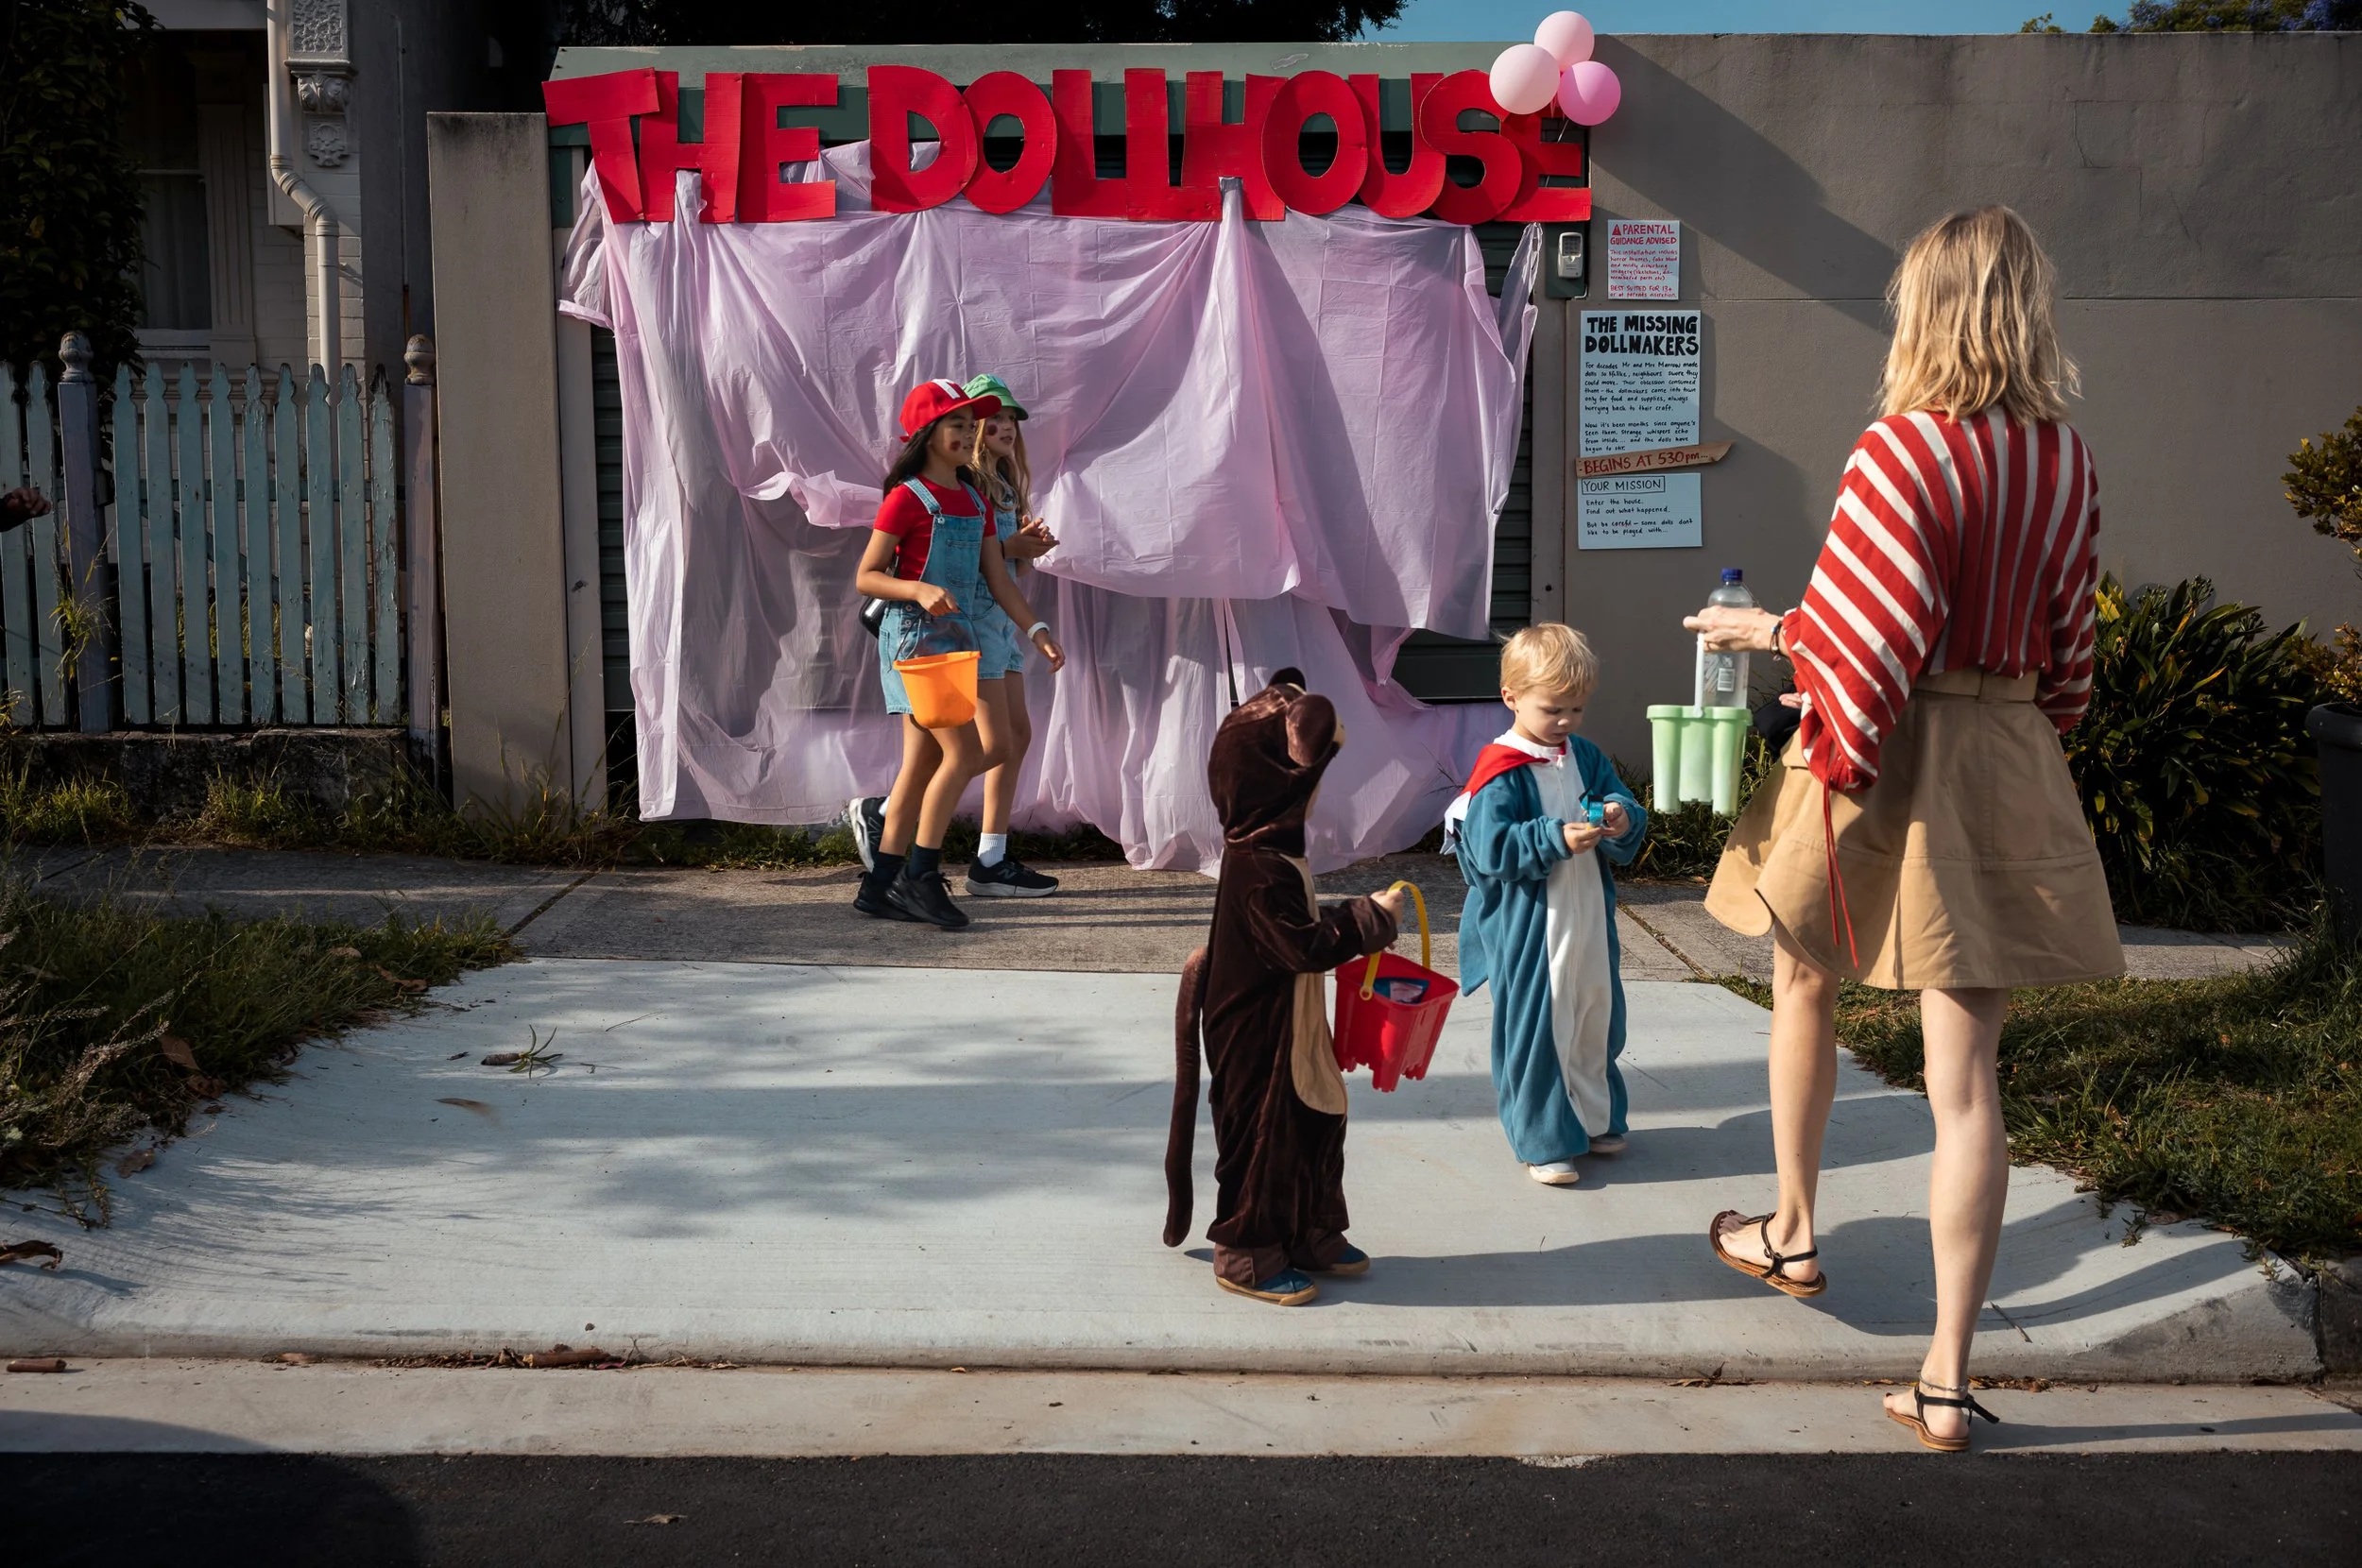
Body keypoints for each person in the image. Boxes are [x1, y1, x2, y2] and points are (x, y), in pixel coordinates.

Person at [1688, 206, 2122, 1453]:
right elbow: (2071, 651)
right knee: (1967, 1078)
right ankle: (1944, 1378)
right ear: (2027, 310)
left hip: (1881, 756)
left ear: (1925, 309)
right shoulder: (2065, 458)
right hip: (2003, 751)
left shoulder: (1902, 448)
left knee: (1802, 976)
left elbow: (1863, 639)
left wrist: (1761, 632)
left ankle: (1791, 1229)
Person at [1161, 670, 1409, 1305]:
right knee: (1263, 1133)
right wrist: (1368, 921)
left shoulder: (1276, 852)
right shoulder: (1259, 864)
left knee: (1315, 1117)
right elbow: (1301, 946)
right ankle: (1247, 1248)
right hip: (1257, 1026)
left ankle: (1307, 1229)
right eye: (1318, 776)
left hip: (1290, 1014)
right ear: (1285, 783)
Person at [850, 380, 1066, 930]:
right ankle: (920, 877)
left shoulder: (973, 497)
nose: (967, 433)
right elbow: (867, 575)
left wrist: (1036, 628)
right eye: (957, 424)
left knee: (923, 762)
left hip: (956, 643)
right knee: (966, 752)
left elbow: (997, 576)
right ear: (926, 434)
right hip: (914, 643)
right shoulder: (906, 497)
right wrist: (918, 589)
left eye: (971, 424)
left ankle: (879, 888)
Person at [1446, 624, 1648, 1185]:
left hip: (1586, 915)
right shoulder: (1500, 771)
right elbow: (1490, 850)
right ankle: (1541, 1136)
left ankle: (1593, 1115)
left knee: (1595, 1012)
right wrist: (1554, 838)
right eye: (1553, 708)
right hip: (1532, 926)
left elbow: (1619, 797)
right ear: (1510, 697)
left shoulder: (1582, 754)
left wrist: (1618, 815)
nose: (1566, 722)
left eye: (1577, 709)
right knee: (1537, 1027)